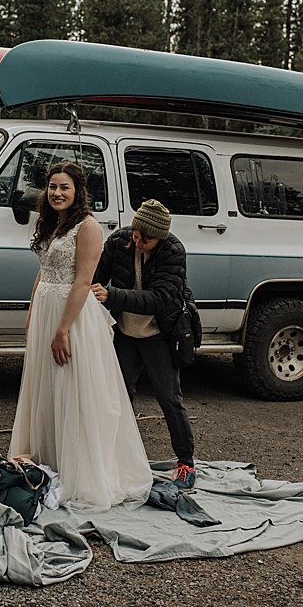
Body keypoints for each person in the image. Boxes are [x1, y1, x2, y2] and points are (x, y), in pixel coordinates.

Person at [8, 161, 152, 512]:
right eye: (53, 187)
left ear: (78, 192)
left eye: (65, 187)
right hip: (46, 309)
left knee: (73, 388)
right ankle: (52, 460)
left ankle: (83, 471)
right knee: (48, 388)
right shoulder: (51, 223)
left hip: (72, 317)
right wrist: (32, 316)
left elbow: (83, 281)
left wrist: (62, 330)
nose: (57, 193)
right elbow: (43, 273)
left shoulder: (88, 227)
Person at [90, 199, 199, 488]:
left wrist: (112, 296)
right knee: (118, 398)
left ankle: (186, 462)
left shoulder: (173, 252)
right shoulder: (119, 241)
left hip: (158, 335)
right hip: (125, 333)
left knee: (169, 399)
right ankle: (117, 458)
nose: (138, 241)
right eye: (136, 234)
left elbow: (159, 298)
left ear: (160, 238)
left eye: (145, 239)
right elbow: (95, 278)